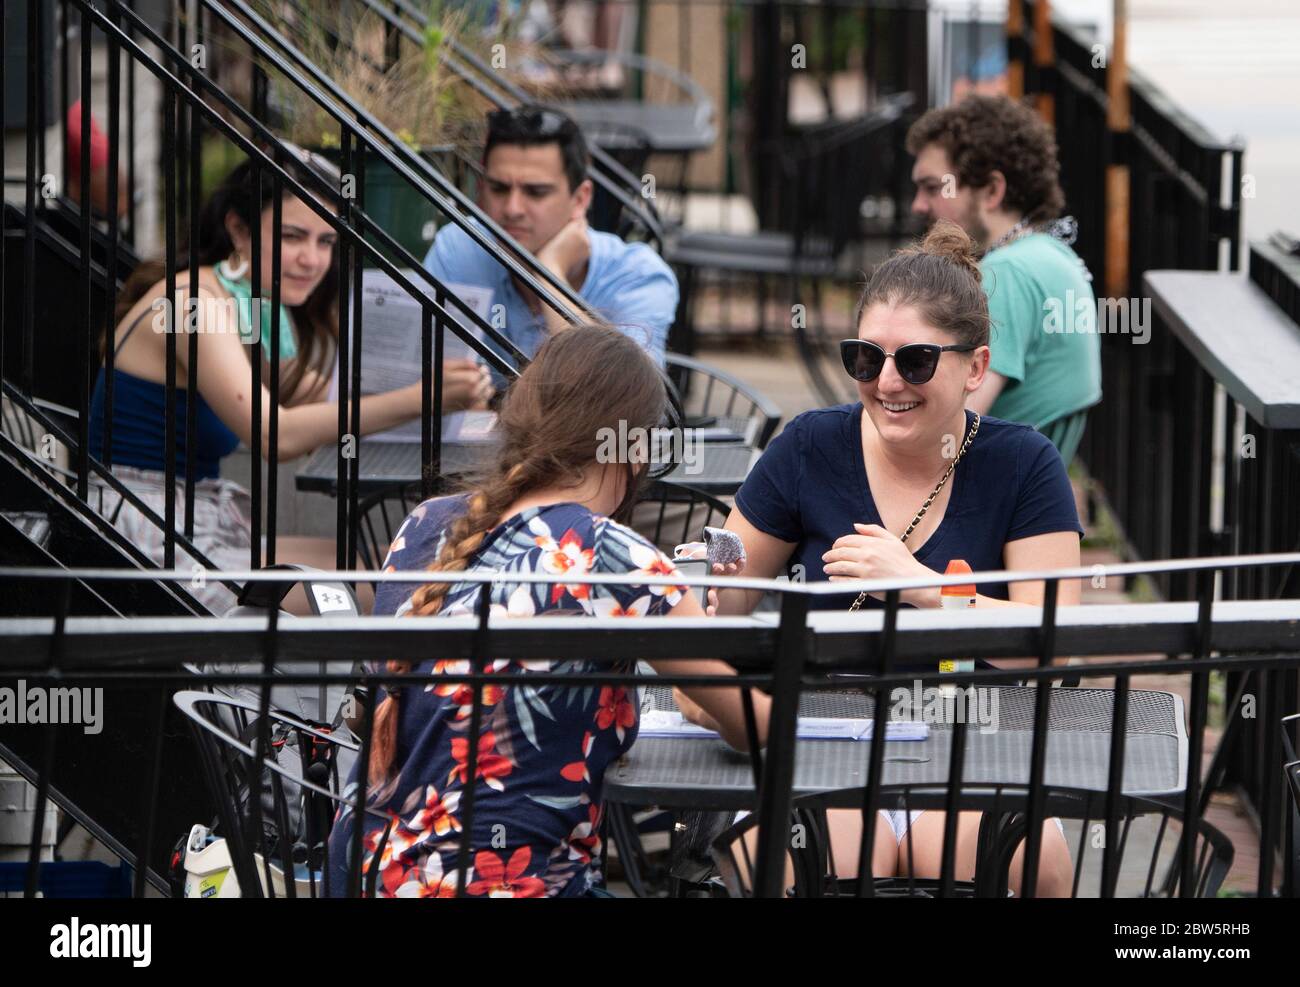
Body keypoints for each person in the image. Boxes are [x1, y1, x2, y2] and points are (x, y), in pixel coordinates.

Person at [324, 324, 767, 898]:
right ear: (635, 448)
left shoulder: (425, 524)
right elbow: (752, 729)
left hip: (360, 874)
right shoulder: (610, 555)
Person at [712, 222, 1082, 895]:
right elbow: (720, 600)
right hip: (822, 741)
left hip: (976, 742)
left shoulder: (1023, 461)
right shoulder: (808, 446)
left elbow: (1054, 636)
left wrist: (920, 585)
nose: (887, 382)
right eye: (865, 358)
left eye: (914, 361)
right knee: (815, 856)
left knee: (1025, 864)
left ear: (974, 367)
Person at [89, 150, 493, 613]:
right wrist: (424, 397)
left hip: (194, 522)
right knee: (406, 589)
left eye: (326, 241)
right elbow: (275, 435)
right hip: (146, 539)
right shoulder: (192, 302)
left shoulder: (242, 300)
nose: (312, 259)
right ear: (238, 229)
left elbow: (315, 402)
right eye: (291, 236)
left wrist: (459, 394)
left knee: (405, 567)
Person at [907, 94, 1101, 462]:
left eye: (934, 188)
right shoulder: (1055, 258)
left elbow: (956, 425)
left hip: (982, 499)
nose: (919, 204)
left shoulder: (1006, 275)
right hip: (1027, 490)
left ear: (992, 190)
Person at [422, 105, 677, 366]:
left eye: (536, 192)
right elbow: (417, 374)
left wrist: (549, 274)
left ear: (580, 199)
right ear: (480, 189)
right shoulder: (458, 247)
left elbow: (621, 398)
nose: (513, 209)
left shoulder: (638, 275)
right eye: (498, 189)